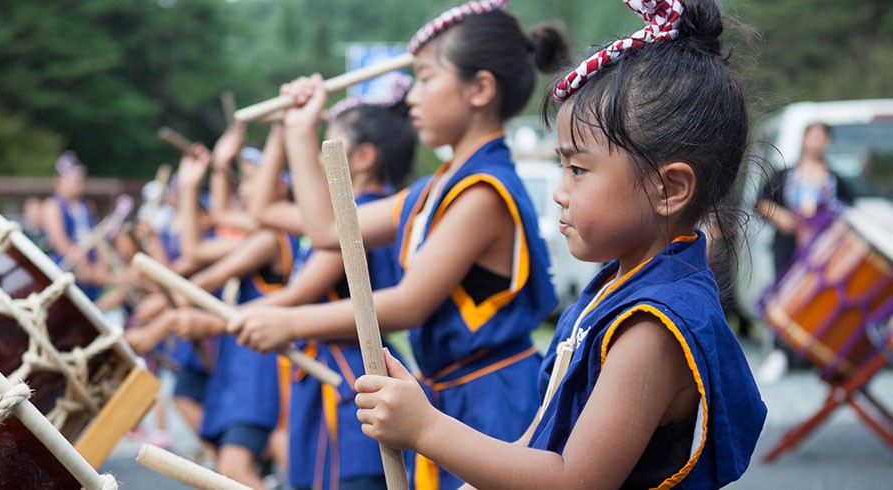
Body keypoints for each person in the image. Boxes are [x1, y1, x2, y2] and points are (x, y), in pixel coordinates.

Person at [352, 1, 767, 488]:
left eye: (578, 169)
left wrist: (426, 428)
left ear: (670, 188)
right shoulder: (615, 288)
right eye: (561, 166)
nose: (559, 192)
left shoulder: (653, 327)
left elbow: (573, 481)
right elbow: (536, 442)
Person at [229, 2, 566, 488]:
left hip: (493, 401)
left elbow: (409, 304)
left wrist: (289, 321)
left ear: (480, 88)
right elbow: (327, 228)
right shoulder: (436, 189)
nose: (412, 96)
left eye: (426, 78)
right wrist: (302, 132)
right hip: (451, 396)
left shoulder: (483, 192)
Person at [757, 122, 855, 277]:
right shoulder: (784, 175)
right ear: (804, 139)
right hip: (787, 246)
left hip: (823, 249)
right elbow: (761, 202)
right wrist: (779, 215)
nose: (817, 141)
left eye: (821, 137)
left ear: (827, 142)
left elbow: (849, 210)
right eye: (813, 136)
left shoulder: (835, 180)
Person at [42, 151, 110, 300]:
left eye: (79, 179)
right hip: (67, 266)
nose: (77, 182)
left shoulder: (87, 206)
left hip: (89, 266)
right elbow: (60, 243)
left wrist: (102, 263)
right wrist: (83, 262)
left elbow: (97, 239)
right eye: (71, 179)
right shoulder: (52, 206)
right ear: (58, 181)